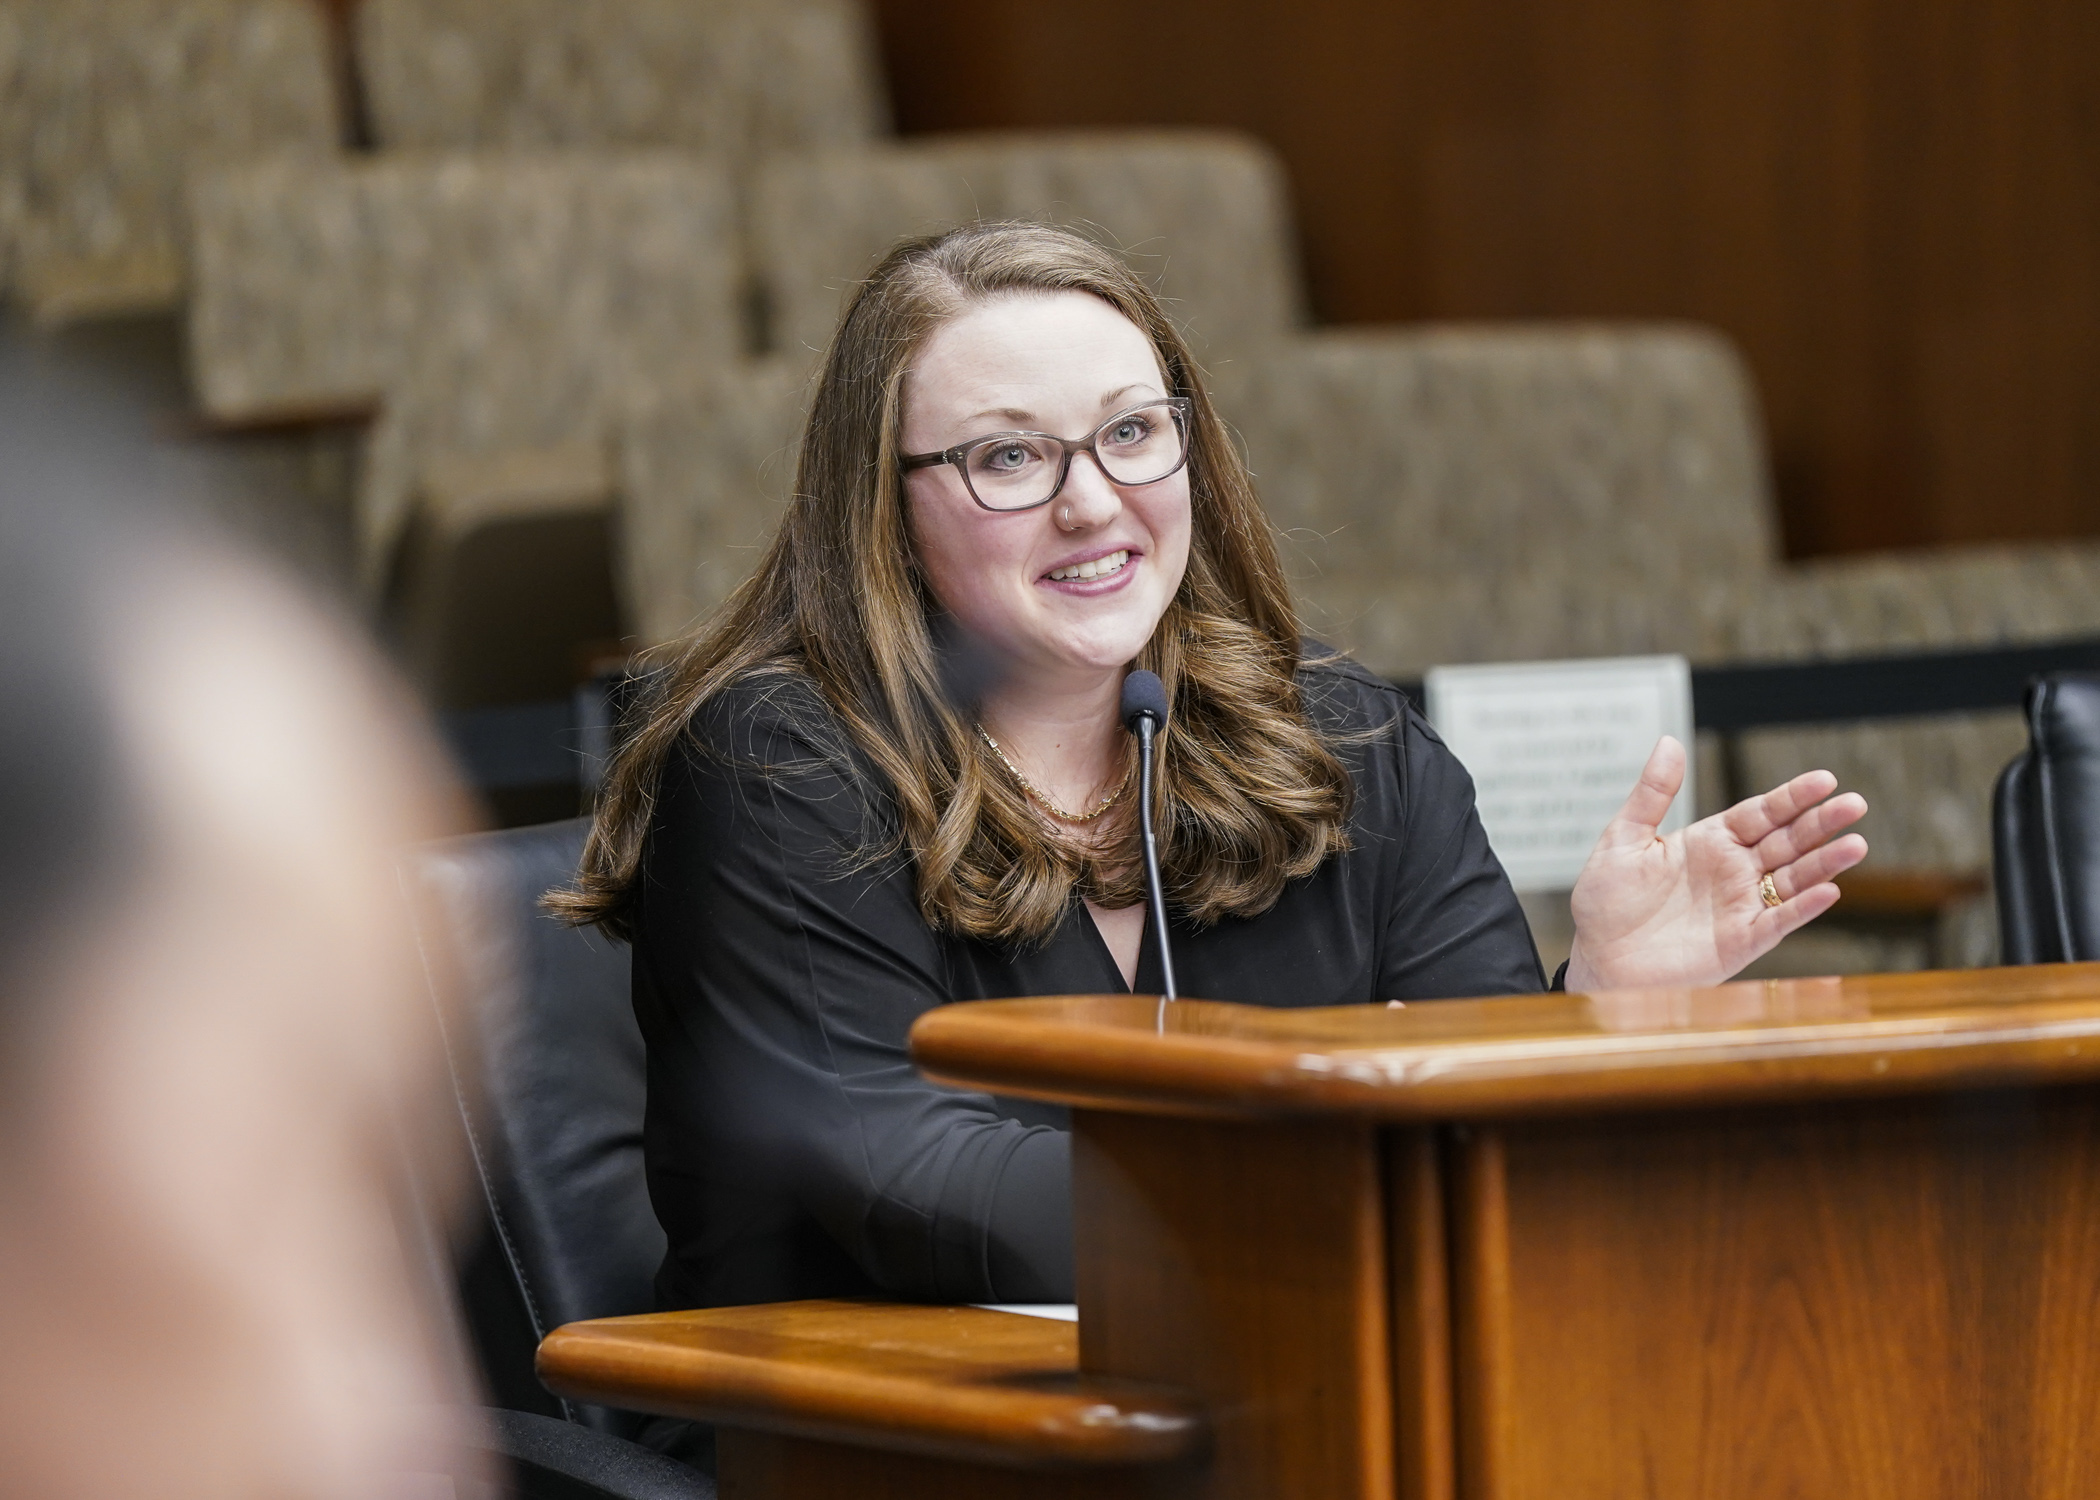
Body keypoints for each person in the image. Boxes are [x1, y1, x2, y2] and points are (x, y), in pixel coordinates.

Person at [556, 222, 1868, 1312]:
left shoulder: (1338, 738)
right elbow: (899, 1181)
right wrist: (1344, 1172)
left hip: (1286, 1397)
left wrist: (1591, 1012)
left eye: (1132, 432)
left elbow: (1483, 1148)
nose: (1090, 499)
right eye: (1007, 456)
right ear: (881, 508)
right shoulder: (780, 761)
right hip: (871, 1438)